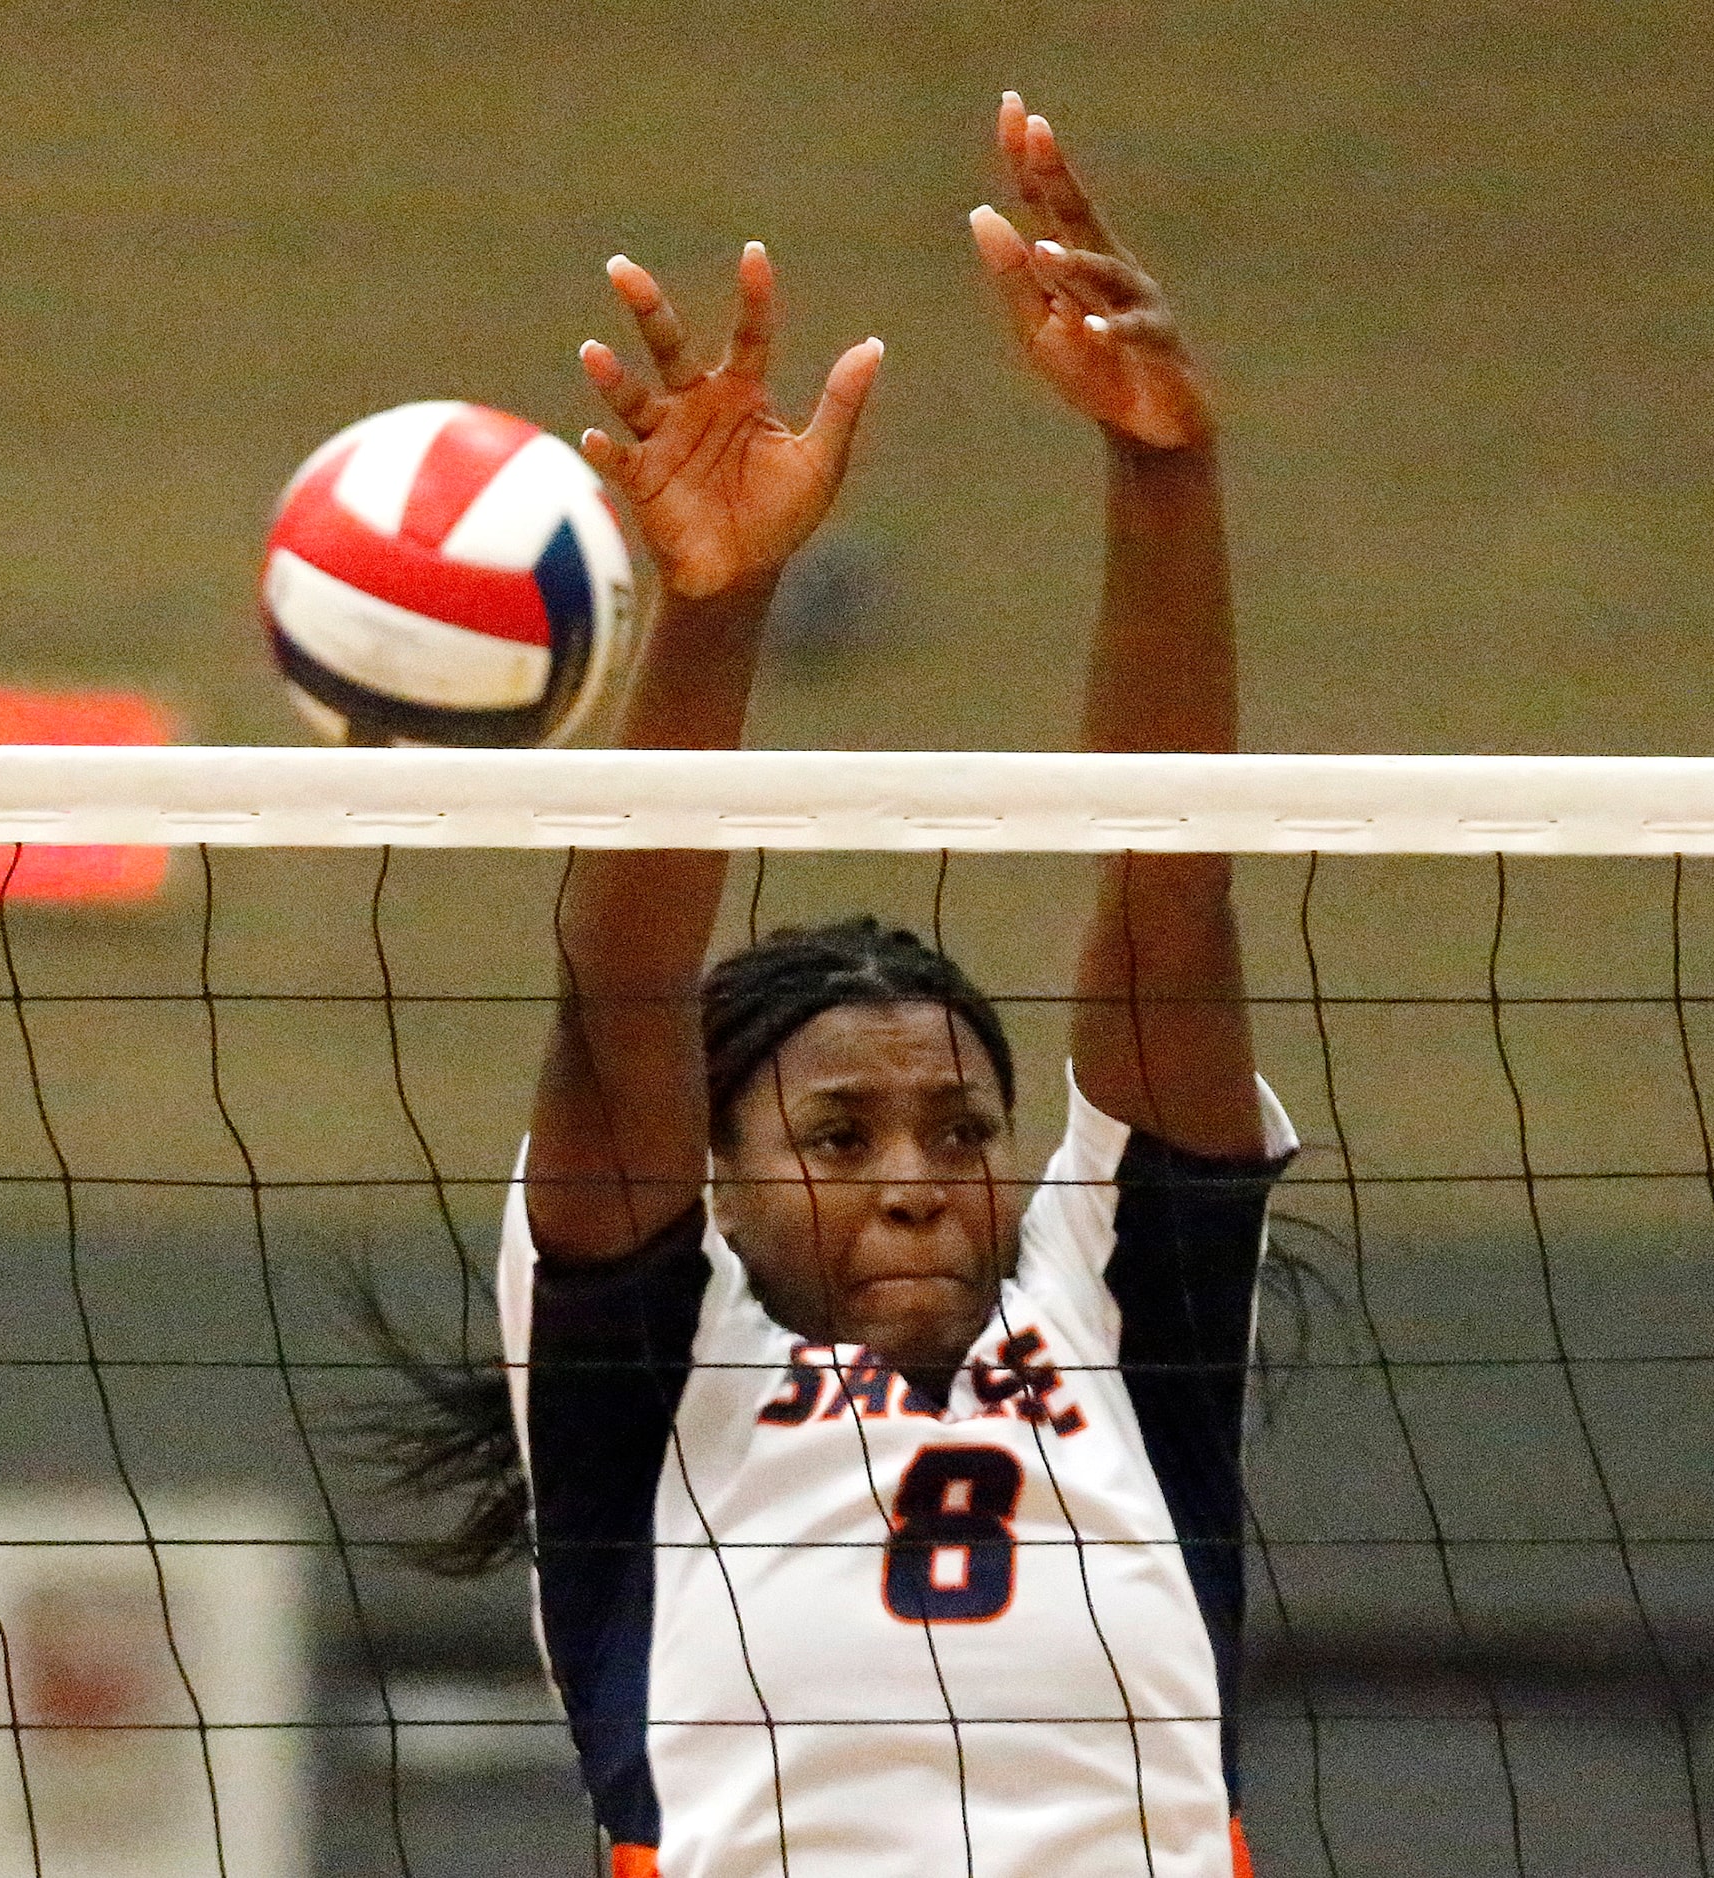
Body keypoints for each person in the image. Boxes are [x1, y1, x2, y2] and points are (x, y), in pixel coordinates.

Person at [498, 93, 1297, 1878]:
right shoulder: (656, 1374)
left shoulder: (1108, 1324)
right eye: (836, 1133)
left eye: (954, 1122)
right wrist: (715, 605)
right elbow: (619, 1006)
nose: (916, 1170)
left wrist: (1163, 468)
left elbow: (1172, 879)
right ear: (715, 1176)